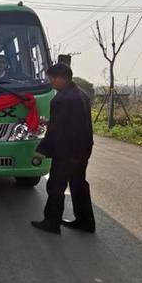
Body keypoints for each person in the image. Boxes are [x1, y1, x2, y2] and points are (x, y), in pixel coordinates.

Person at [31, 63, 95, 234]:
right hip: (83, 149)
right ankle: (85, 222)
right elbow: (72, 123)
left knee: (56, 186)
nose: (50, 82)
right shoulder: (82, 94)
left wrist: (41, 150)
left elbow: (56, 131)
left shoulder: (60, 99)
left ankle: (52, 222)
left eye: (51, 79)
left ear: (60, 77)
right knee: (78, 184)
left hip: (66, 151)